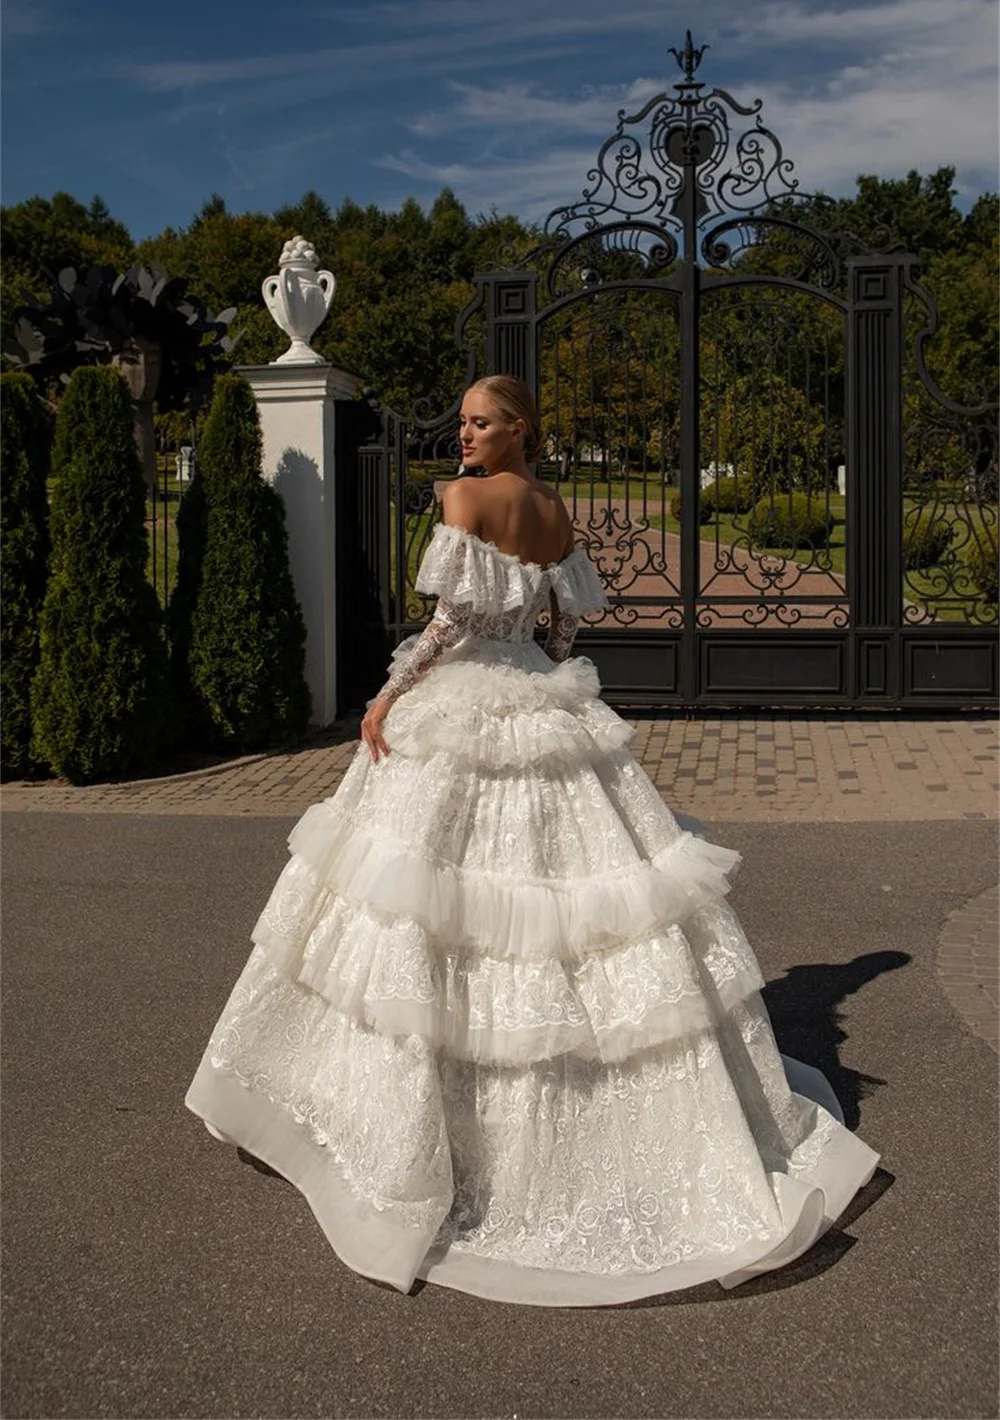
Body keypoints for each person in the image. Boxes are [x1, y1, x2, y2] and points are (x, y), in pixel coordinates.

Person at [186, 373, 878, 1306]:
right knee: (558, 899)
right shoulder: (553, 509)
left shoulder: (464, 497)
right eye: (461, 418)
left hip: (466, 689)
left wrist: (392, 692)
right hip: (537, 692)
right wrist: (543, 682)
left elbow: (452, 620)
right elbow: (560, 627)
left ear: (518, 430)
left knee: (428, 905)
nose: (463, 432)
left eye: (479, 421)